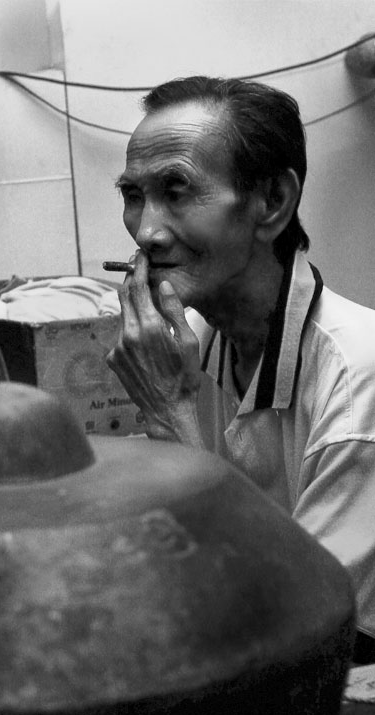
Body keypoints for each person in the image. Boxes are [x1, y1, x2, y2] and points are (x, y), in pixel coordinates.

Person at [106, 75, 375, 662]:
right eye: (133, 195)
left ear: (272, 202)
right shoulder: (192, 339)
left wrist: (172, 414)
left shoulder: (359, 379)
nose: (146, 231)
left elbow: (301, 625)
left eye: (176, 191)